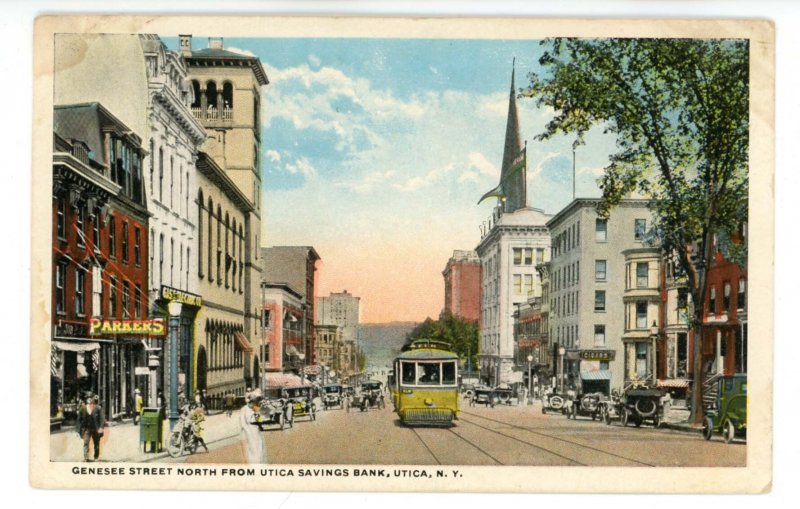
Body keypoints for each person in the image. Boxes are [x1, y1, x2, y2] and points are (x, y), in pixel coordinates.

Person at [239, 394, 266, 463]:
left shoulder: (255, 409)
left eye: (254, 402)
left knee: (259, 449)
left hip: (256, 432)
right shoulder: (244, 409)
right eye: (252, 402)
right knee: (251, 450)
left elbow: (260, 421)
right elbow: (243, 423)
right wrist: (247, 433)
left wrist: (257, 413)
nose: (253, 404)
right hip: (248, 432)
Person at [77, 396, 104, 462]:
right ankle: (86, 458)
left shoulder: (98, 408)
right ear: (86, 400)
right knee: (86, 443)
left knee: (96, 443)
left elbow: (102, 419)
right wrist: (78, 430)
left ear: (93, 399)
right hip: (86, 429)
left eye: (91, 398)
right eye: (88, 398)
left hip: (96, 429)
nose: (89, 400)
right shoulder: (83, 408)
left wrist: (101, 428)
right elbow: (79, 420)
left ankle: (96, 457)